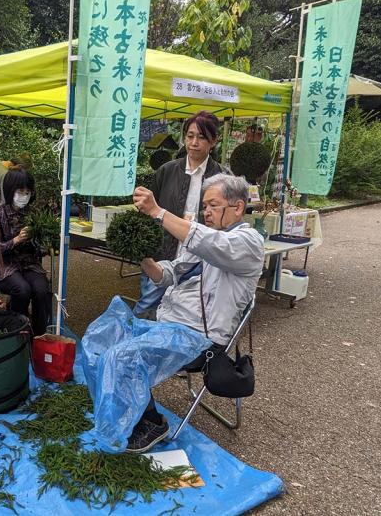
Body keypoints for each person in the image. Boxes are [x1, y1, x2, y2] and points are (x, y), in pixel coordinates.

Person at [90, 174, 264, 453]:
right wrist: (142, 256)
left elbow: (211, 245)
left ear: (238, 208)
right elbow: (168, 274)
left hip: (198, 338)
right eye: (204, 206)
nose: (206, 212)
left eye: (213, 205)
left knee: (123, 354)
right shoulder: (207, 240)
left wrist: (158, 212)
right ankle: (119, 411)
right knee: (100, 339)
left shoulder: (248, 243)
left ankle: (151, 423)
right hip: (168, 326)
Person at [135, 111, 228, 319]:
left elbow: (227, 223)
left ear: (213, 141)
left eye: (201, 137)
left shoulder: (222, 178)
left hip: (200, 262)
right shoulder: (166, 171)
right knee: (146, 307)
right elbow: (149, 212)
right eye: (190, 136)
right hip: (162, 254)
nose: (194, 142)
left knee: (187, 315)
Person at [0, 169, 51, 336]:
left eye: (27, 192)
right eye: (20, 191)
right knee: (22, 290)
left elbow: (41, 246)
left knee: (41, 290)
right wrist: (16, 240)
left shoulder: (35, 214)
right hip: (5, 265)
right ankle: (17, 330)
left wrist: (44, 245)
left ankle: (39, 334)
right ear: (10, 191)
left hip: (30, 264)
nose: (24, 196)